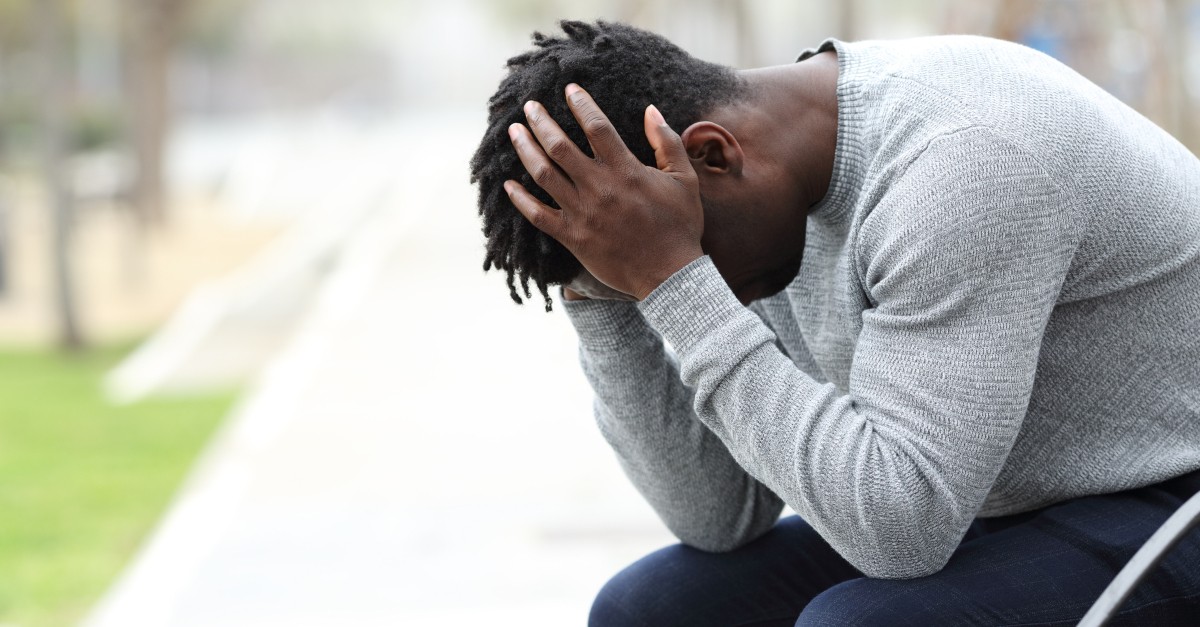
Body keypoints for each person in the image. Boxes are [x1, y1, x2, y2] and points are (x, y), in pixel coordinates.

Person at [468, 20, 1200, 625]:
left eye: (674, 257)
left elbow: (902, 529)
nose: (681, 286)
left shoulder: (965, 163)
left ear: (710, 155)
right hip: (984, 497)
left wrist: (675, 278)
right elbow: (722, 515)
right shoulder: (759, 194)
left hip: (1171, 498)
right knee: (651, 608)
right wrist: (604, 300)